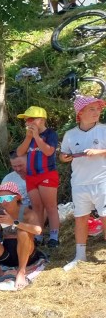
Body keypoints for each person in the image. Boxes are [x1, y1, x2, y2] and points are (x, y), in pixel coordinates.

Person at [60, 95, 106, 271]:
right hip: (79, 183)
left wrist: (99, 152)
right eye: (92, 109)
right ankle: (80, 256)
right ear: (80, 113)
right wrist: (64, 157)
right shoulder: (70, 134)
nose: (97, 112)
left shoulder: (103, 129)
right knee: (81, 218)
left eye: (98, 109)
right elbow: (63, 155)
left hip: (102, 181)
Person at [15, 105, 60, 248]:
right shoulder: (28, 136)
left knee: (51, 207)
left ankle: (54, 236)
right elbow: (20, 152)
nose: (27, 122)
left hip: (47, 173)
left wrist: (36, 137)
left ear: (41, 120)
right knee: (37, 207)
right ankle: (39, 235)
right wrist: (29, 138)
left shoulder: (50, 134)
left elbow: (48, 152)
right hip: (31, 176)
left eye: (30, 119)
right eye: (26, 120)